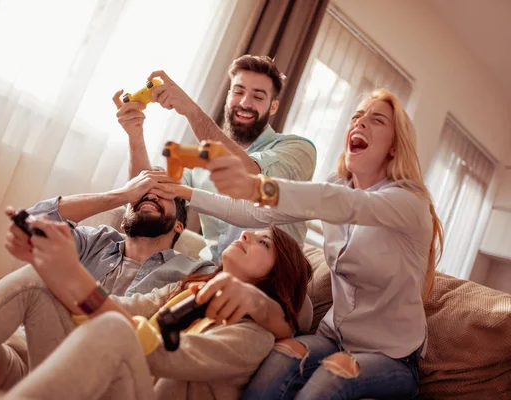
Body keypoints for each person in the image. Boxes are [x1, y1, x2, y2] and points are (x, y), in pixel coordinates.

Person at [0, 169, 312, 391]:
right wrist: (54, 269)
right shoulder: (185, 289)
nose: (244, 234)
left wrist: (267, 307)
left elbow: (155, 353)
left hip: (117, 382)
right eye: (251, 231)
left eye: (263, 242)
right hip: (48, 355)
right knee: (33, 281)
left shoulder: (245, 325)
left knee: (113, 333)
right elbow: (119, 307)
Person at [176, 88, 444, 399]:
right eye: (357, 117)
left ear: (395, 147)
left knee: (334, 373)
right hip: (333, 336)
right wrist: (185, 194)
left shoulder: (409, 202)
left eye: (377, 120)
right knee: (282, 354)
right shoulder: (336, 184)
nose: (360, 123)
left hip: (392, 356)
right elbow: (254, 212)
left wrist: (259, 186)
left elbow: (345, 203)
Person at [113, 55, 317, 263]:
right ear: (228, 96)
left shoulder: (298, 149)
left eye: (258, 96)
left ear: (273, 106)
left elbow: (248, 173)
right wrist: (135, 134)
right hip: (209, 271)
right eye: (238, 92)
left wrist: (191, 110)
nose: (245, 103)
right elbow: (147, 190)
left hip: (269, 281)